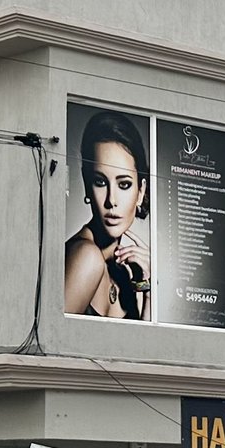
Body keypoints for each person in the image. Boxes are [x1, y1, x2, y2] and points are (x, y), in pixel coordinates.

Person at [63, 111, 150, 319]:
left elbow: (143, 350)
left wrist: (148, 289)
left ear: (141, 192)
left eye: (124, 184)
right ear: (86, 184)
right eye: (100, 182)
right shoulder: (86, 256)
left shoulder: (125, 274)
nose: (112, 200)